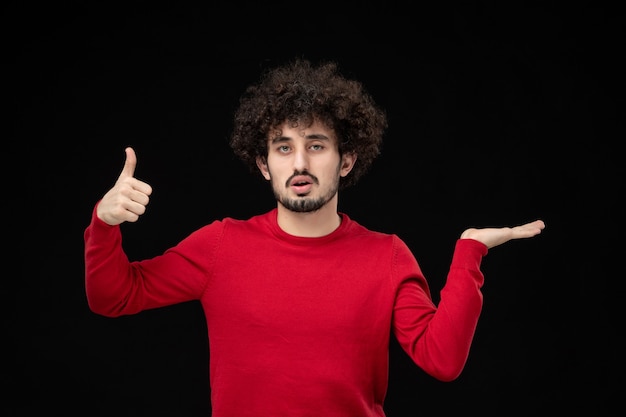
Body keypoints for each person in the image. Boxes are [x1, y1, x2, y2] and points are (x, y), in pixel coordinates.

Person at [84, 58, 545, 416]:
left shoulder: (386, 255)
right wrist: (104, 223)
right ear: (265, 165)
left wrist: (470, 252)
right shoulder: (221, 245)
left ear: (345, 161)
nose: (299, 162)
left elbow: (441, 359)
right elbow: (113, 296)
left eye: (316, 145)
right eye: (284, 147)